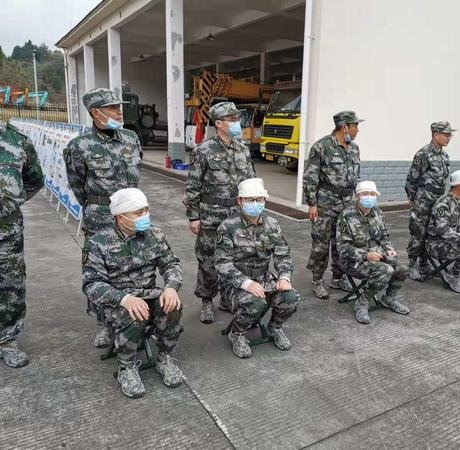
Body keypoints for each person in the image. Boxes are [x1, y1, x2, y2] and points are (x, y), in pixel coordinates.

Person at [82, 188, 183, 398]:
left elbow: (171, 264)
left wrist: (171, 287)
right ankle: (126, 366)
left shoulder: (155, 235)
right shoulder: (97, 243)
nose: (145, 215)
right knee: (136, 313)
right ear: (120, 217)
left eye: (146, 210)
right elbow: (92, 284)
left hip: (148, 294)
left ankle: (164, 357)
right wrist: (125, 299)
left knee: (172, 307)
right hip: (116, 302)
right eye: (138, 212)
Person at [64, 87, 143, 349]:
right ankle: (105, 324)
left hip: (131, 214)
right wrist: (97, 207)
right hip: (100, 217)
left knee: (134, 265)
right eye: (112, 108)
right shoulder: (79, 146)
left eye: (119, 107)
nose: (119, 112)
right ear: (95, 113)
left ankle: (136, 315)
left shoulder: (131, 138)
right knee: (99, 271)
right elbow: (77, 185)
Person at [185, 102, 255, 324]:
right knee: (208, 259)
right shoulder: (203, 150)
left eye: (237, 119)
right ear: (219, 123)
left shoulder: (243, 150)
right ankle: (207, 300)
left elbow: (251, 182)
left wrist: (253, 211)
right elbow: (193, 186)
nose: (237, 123)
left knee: (235, 258)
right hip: (211, 215)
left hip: (237, 214)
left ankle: (227, 297)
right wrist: (194, 216)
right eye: (232, 119)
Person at [215, 178, 299, 359]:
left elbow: (283, 254)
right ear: (240, 201)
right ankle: (237, 334)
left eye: (259, 199)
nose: (255, 203)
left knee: (290, 296)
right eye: (250, 200)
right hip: (235, 283)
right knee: (255, 301)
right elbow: (222, 263)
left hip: (263, 277)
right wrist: (247, 284)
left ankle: (275, 327)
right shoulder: (228, 227)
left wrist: (284, 277)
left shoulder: (272, 224)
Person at [303, 111, 362, 299]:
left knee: (342, 242)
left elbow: (356, 176)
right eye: (355, 126)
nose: (357, 130)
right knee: (321, 243)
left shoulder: (354, 149)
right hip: (325, 203)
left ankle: (338, 277)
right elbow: (310, 177)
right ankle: (317, 281)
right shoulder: (321, 147)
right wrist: (312, 203)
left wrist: (358, 197)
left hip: (347, 204)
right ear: (345, 127)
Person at [0, 120, 44, 368]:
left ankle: (6, 340)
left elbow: (34, 179)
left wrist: (11, 202)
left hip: (7, 232)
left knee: (10, 286)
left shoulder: (17, 140)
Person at [336, 181, 410, 324]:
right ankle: (362, 302)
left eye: (372, 194)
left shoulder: (377, 212)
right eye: (365, 194)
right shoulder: (346, 216)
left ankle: (389, 298)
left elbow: (384, 237)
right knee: (386, 270)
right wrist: (365, 255)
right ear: (357, 197)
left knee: (402, 268)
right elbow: (342, 246)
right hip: (352, 261)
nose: (369, 197)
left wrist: (389, 249)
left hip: (377, 255)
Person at [405, 121, 456, 281]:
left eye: (450, 135)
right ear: (435, 135)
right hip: (423, 202)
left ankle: (423, 263)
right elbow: (412, 179)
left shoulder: (444, 156)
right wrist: (413, 199)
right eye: (446, 135)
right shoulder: (423, 154)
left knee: (431, 232)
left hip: (437, 202)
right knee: (418, 233)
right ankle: (411, 265)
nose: (449, 138)